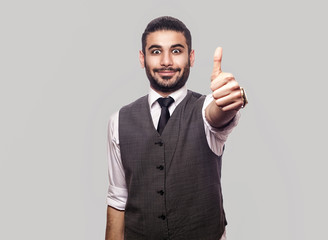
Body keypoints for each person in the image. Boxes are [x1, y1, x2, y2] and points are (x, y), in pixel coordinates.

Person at [105, 16, 247, 240]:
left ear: (191, 57)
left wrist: (227, 100)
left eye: (176, 51)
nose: (166, 61)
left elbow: (217, 115)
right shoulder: (118, 120)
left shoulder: (205, 109)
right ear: (142, 58)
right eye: (155, 51)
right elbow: (117, 199)